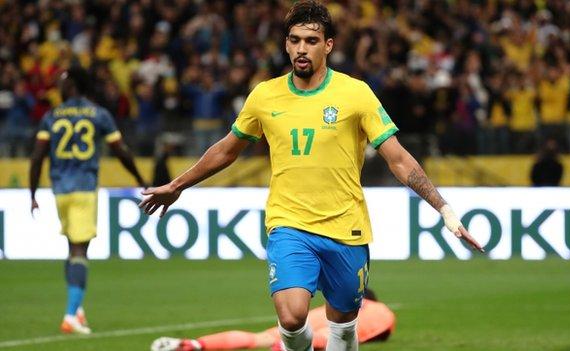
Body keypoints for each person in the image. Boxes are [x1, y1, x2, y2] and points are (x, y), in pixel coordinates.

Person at [139, 2, 484, 350]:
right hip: (289, 223)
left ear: (328, 45)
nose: (301, 48)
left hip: (346, 228)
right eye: (294, 40)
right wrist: (177, 185)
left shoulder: (355, 94)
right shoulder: (264, 95)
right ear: (286, 44)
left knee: (343, 324)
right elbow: (227, 149)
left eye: (311, 40)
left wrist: (443, 208)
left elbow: (398, 159)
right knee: (291, 318)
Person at [29, 66, 146, 334]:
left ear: (73, 85)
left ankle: (77, 309)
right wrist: (140, 179)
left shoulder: (52, 116)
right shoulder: (98, 114)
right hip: (84, 188)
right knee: (80, 251)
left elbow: (37, 156)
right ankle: (70, 315)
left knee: (72, 247)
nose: (58, 85)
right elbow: (120, 151)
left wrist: (33, 193)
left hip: (59, 189)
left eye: (62, 80)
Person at [150, 289, 395, 351]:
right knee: (331, 336)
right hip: (347, 317)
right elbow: (385, 331)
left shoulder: (325, 307)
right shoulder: (381, 310)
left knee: (263, 336)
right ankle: (281, 348)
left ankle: (196, 344)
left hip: (323, 311)